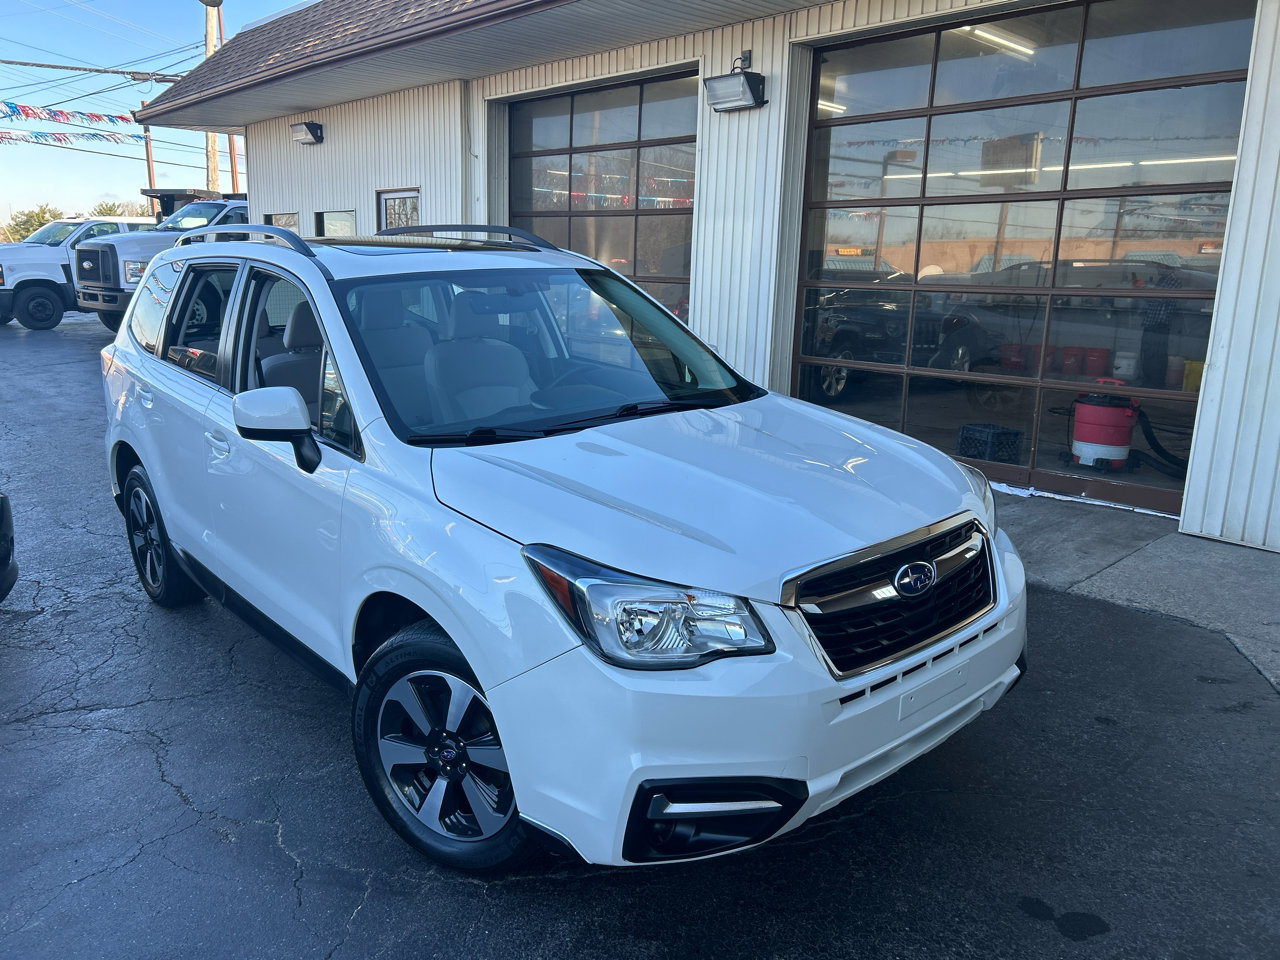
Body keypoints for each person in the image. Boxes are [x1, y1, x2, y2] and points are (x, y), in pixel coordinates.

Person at [1139, 263, 1182, 388]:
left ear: (1169, 268)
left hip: (1159, 323)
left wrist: (1143, 288)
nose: (1158, 269)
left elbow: (1158, 298)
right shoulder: (1162, 280)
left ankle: (1155, 383)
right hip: (1152, 321)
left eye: (1160, 267)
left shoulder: (1172, 281)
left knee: (1156, 355)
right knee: (1147, 353)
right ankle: (1148, 381)